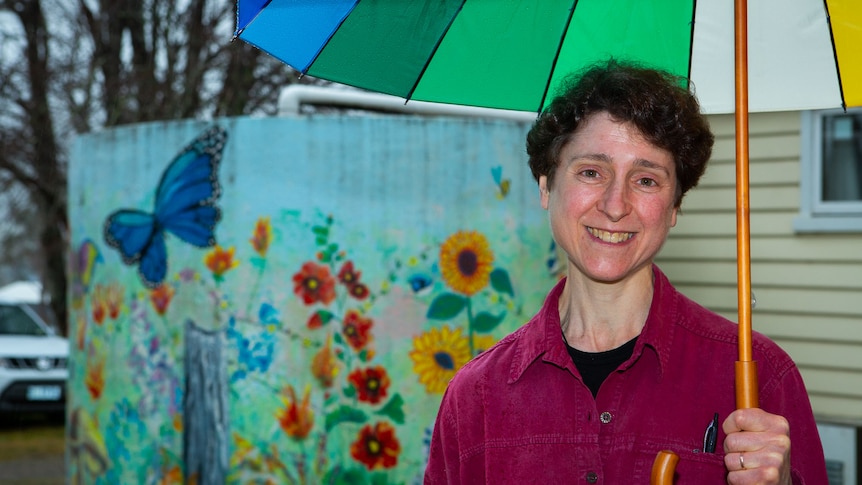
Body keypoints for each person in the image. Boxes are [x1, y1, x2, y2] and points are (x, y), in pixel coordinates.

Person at [423, 60, 827, 484]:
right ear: (546, 185)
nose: (615, 205)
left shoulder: (761, 378)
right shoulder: (476, 397)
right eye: (592, 172)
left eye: (647, 179)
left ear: (674, 207)